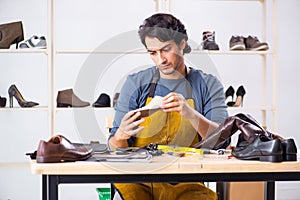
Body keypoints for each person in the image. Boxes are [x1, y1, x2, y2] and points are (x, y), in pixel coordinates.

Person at [108, 13, 230, 200]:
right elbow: (114, 146)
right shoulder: (135, 84)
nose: (160, 60)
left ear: (182, 43)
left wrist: (191, 114)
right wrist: (120, 136)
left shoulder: (207, 84)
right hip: (137, 181)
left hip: (188, 183)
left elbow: (222, 140)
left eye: (166, 49)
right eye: (152, 53)